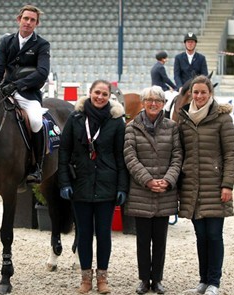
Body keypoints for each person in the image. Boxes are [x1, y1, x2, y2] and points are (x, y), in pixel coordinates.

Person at [58, 79, 129, 294]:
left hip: (107, 186)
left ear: (110, 97)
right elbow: (64, 152)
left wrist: (122, 187)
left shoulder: (116, 122)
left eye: (104, 94)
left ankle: (103, 278)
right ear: (89, 93)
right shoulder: (76, 118)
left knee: (104, 235)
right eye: (97, 93)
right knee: (85, 234)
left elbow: (121, 156)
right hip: (81, 184)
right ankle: (86, 278)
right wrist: (64, 181)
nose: (100, 97)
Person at [178, 75, 234, 295]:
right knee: (201, 236)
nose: (199, 96)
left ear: (210, 93)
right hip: (192, 187)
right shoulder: (184, 119)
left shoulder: (222, 119)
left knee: (214, 235)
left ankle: (215, 281)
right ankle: (203, 280)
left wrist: (227, 184)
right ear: (191, 94)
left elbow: (231, 153)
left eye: (203, 92)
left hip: (215, 186)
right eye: (196, 92)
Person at [123, 85, 183, 295]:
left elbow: (177, 156)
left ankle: (157, 279)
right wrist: (148, 180)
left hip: (164, 192)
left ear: (163, 104)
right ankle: (143, 279)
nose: (153, 103)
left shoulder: (172, 127)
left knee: (160, 240)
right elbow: (130, 158)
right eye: (149, 99)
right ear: (143, 102)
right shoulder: (131, 127)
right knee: (142, 241)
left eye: (157, 100)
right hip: (142, 190)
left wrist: (167, 180)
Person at [0, 4, 50, 183]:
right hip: (4, 91)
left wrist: (17, 85)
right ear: (19, 20)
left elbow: (42, 72)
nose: (28, 22)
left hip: (28, 93)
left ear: (36, 24)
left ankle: (37, 167)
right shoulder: (6, 42)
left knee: (35, 120)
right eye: (25, 18)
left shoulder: (41, 44)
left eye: (32, 20)